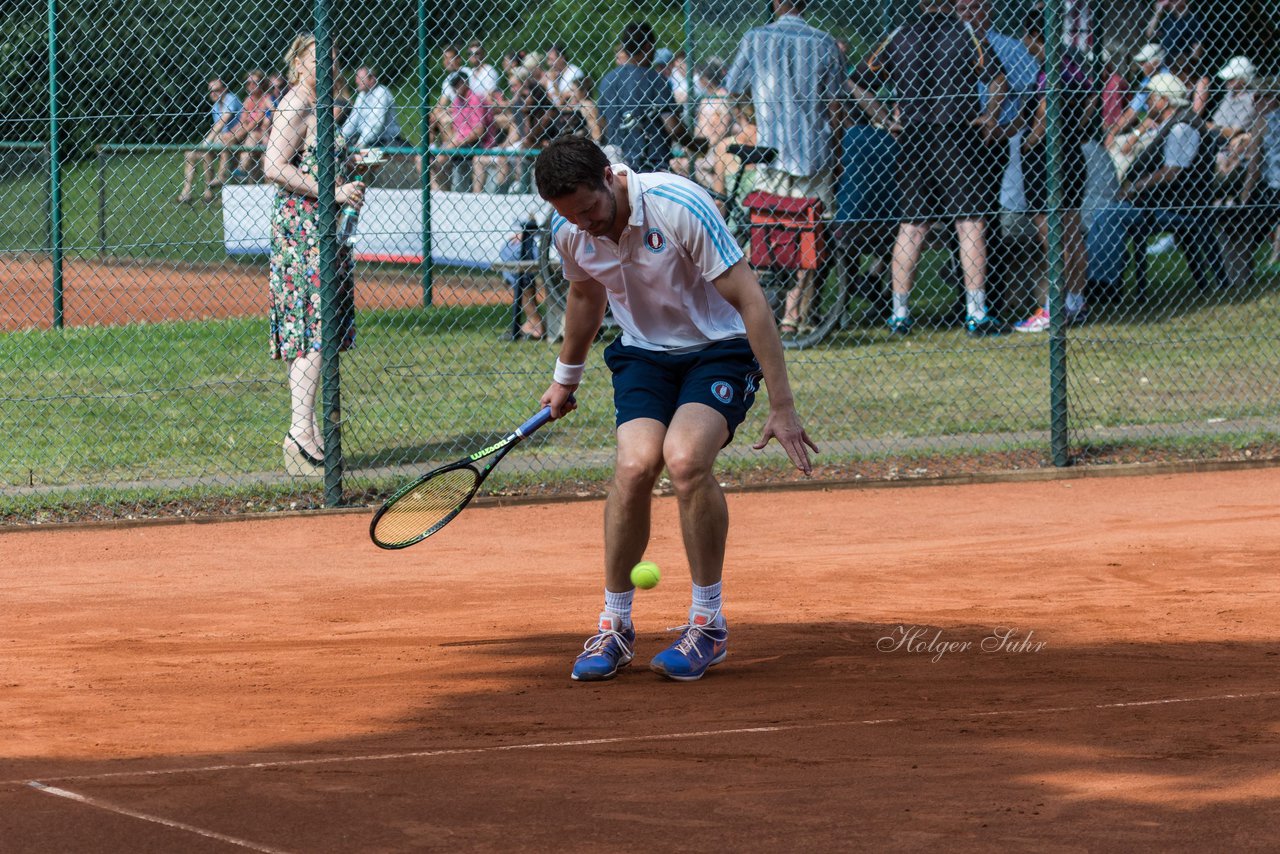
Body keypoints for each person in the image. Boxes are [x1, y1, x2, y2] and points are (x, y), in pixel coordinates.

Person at [534, 135, 816, 683]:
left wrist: (783, 405)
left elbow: (751, 299)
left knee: (685, 459)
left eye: (590, 209)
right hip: (643, 354)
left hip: (719, 349)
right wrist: (564, 379)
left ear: (609, 178)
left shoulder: (678, 205)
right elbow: (586, 297)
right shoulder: (571, 228)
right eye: (571, 216)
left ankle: (707, 626)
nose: (585, 224)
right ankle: (614, 627)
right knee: (635, 465)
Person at [847, 0, 1008, 336]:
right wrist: (990, 116)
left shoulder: (898, 35)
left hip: (913, 138)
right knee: (970, 223)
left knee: (912, 226)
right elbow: (997, 79)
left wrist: (883, 116)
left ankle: (899, 314)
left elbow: (856, 82)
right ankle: (976, 314)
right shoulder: (966, 32)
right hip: (958, 136)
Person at [262, 33, 366, 475]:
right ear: (299, 64)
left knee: (320, 328)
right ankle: (299, 434)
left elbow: (310, 159)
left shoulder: (321, 103)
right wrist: (334, 190)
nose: (327, 64)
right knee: (313, 328)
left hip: (321, 225)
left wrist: (350, 165)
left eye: (333, 56)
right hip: (302, 229)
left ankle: (305, 433)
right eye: (316, 58)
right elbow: (273, 166)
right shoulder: (296, 103)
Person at [724, 0, 844, 336]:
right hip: (813, 152)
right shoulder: (823, 42)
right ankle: (793, 314)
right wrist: (837, 151)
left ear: (776, 4)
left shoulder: (755, 38)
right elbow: (835, 105)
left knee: (767, 228)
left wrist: (749, 119)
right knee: (809, 231)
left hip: (771, 152)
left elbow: (732, 88)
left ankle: (755, 310)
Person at [1085, 72, 1222, 304]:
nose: (1146, 102)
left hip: (1176, 207)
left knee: (1108, 216)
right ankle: (1102, 277)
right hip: (1162, 203)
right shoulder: (1171, 124)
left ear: (1164, 101)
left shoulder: (1182, 128)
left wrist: (1134, 188)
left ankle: (1104, 285)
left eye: (1150, 97)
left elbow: (1171, 172)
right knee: (1104, 214)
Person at [1011, 17, 1095, 331]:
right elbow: (1089, 103)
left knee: (1053, 239)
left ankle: (1052, 308)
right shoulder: (1074, 67)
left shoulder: (1050, 73)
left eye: (1027, 39)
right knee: (1072, 234)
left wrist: (1031, 141)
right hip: (1072, 155)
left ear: (1036, 35)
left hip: (1047, 161)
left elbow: (1045, 112)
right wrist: (1073, 131)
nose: (1026, 47)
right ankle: (1074, 301)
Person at [597, 22, 695, 174]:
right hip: (652, 167)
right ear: (648, 47)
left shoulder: (608, 80)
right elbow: (673, 127)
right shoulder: (656, 79)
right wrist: (695, 144)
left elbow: (602, 125)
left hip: (617, 165)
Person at [177, 76, 241, 204]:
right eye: (211, 91)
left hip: (235, 140)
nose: (213, 93)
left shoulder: (231, 99)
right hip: (220, 140)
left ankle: (208, 191)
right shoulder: (216, 106)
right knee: (189, 154)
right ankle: (187, 191)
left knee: (209, 149)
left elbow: (222, 122)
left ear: (224, 89)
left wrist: (207, 141)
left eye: (216, 90)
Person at [221, 70, 272, 181]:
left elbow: (255, 123)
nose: (251, 85)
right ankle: (223, 172)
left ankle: (241, 169)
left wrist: (235, 136)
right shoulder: (248, 100)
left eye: (255, 82)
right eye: (248, 83)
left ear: (262, 83)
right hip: (248, 131)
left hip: (262, 133)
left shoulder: (266, 99)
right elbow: (242, 122)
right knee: (224, 137)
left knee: (251, 137)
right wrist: (231, 133)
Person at [341, 66, 404, 149]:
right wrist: (341, 136)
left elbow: (376, 124)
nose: (356, 81)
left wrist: (361, 143)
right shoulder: (362, 95)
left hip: (387, 140)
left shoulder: (381, 93)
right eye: (357, 78)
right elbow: (352, 120)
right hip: (368, 140)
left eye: (361, 78)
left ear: (372, 79)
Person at [1144, 0, 1203, 67]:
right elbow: (1149, 34)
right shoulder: (1169, 17)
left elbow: (1197, 49)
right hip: (1165, 63)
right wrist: (1157, 13)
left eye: (1172, 1)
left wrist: (1187, 65)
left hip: (1180, 66)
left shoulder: (1192, 20)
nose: (1168, 3)